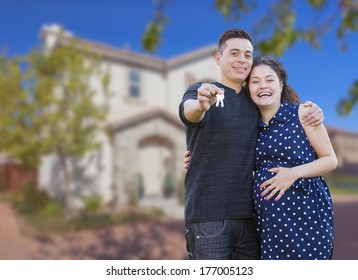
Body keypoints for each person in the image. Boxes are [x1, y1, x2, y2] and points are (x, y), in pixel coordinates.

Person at [178, 28, 324, 260]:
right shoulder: (201, 91)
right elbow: (190, 113)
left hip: (252, 218)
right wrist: (202, 105)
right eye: (234, 53)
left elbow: (278, 117)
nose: (242, 60)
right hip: (209, 217)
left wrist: (314, 110)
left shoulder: (255, 101)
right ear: (219, 58)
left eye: (247, 54)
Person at [247, 56, 337, 259]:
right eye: (255, 81)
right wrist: (196, 157)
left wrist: (293, 174)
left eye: (269, 80)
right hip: (269, 225)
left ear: (280, 84)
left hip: (307, 218)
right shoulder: (248, 125)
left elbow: (330, 159)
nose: (263, 86)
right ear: (248, 88)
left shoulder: (303, 113)